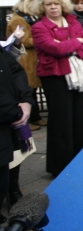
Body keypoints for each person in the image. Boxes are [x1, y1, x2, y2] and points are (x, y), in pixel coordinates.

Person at [30, 0, 83, 177]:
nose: (52, 7)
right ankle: (60, 165)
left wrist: (69, 44)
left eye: (56, 4)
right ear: (42, 8)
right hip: (55, 76)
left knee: (81, 118)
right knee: (61, 120)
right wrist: (76, 42)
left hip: (77, 75)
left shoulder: (73, 21)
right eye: (48, 4)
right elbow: (53, 48)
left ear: (62, 5)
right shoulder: (39, 27)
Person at [0, 44, 34, 222]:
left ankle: (13, 190)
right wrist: (14, 111)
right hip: (7, 114)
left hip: (9, 122)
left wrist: (25, 101)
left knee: (8, 166)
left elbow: (15, 71)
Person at [6, 0, 45, 130]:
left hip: (30, 58)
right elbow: (24, 41)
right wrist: (42, 39)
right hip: (25, 59)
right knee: (28, 89)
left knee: (33, 89)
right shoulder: (18, 20)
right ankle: (30, 119)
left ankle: (36, 117)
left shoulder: (25, 19)